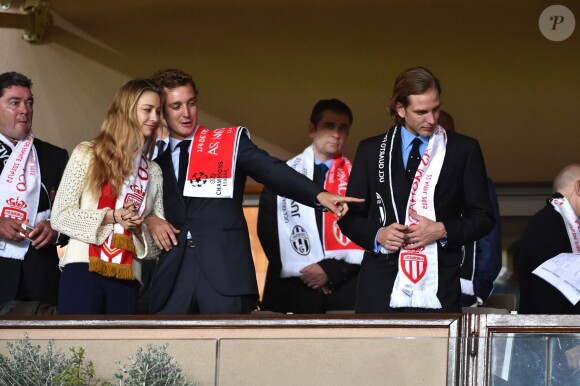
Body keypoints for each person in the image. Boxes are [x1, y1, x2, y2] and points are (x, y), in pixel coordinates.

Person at [144, 69, 363, 315]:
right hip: (170, 278)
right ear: (161, 111)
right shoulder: (150, 160)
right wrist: (150, 218)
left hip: (225, 275)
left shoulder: (226, 143)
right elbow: (130, 205)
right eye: (176, 106)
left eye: (191, 103)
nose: (186, 113)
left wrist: (319, 195)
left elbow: (273, 170)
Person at [338, 66, 495, 313]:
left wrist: (442, 230)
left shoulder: (463, 149)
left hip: (438, 287)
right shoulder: (370, 150)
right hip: (379, 287)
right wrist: (378, 235)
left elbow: (484, 217)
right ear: (400, 109)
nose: (432, 119)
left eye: (436, 109)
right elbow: (349, 217)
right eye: (421, 112)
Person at [51, 78, 164, 314]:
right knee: (76, 349)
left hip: (127, 277)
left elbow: (154, 249)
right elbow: (60, 217)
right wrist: (112, 217)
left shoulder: (153, 171)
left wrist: (136, 228)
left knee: (118, 351)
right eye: (147, 110)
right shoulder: (87, 153)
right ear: (126, 111)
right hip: (83, 268)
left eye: (158, 111)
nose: (154, 118)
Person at [257, 99, 363, 313]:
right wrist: (307, 271)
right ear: (312, 129)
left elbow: (366, 232)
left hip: (342, 290)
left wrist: (330, 272)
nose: (336, 134)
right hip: (293, 290)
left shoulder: (358, 178)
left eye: (343, 128)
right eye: (329, 126)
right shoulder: (283, 176)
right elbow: (268, 232)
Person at [0, 72, 69, 315]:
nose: (24, 110)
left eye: (29, 102)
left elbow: (73, 214)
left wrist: (55, 228)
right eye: (14, 103)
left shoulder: (55, 157)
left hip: (41, 277)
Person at [438, 110, 502, 307]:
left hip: (462, 291)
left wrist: (479, 291)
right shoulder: (407, 178)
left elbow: (489, 242)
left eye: (443, 133)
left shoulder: (476, 181)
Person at [519, 164, 580, 314]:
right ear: (578, 187)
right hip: (550, 332)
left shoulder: (549, 220)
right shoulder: (548, 223)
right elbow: (547, 294)